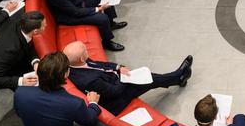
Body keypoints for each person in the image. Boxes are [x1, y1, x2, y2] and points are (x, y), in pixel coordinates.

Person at [64, 41, 193, 115]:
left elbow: (101, 65)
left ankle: (178, 77)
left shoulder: (76, 62)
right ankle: (178, 76)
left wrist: (118, 67)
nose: (88, 51)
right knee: (147, 79)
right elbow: (114, 92)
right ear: (81, 58)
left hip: (113, 81)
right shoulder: (89, 81)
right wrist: (124, 78)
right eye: (85, 50)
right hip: (116, 100)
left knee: (145, 77)